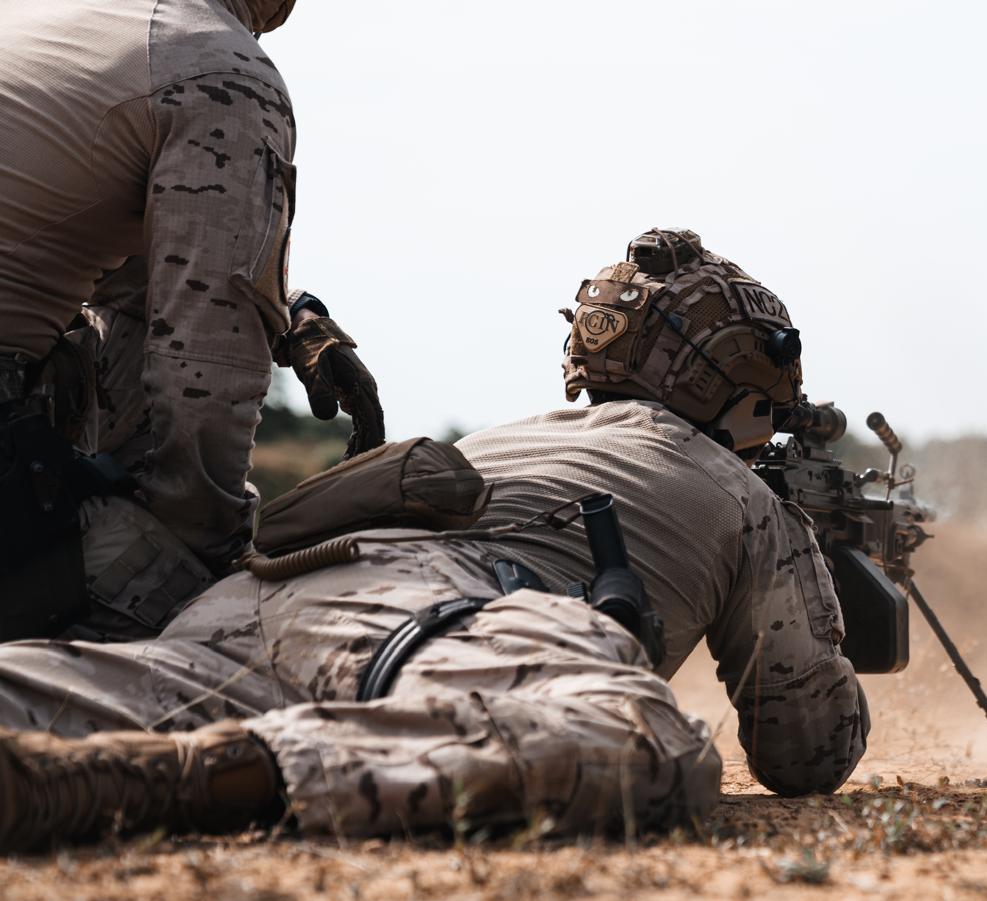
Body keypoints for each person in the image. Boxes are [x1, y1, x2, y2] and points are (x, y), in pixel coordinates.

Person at [0, 229, 869, 851]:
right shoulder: (744, 494)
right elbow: (805, 750)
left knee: (52, 689)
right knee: (640, 736)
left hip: (262, 604)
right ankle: (194, 778)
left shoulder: (515, 432)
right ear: (749, 386)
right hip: (446, 619)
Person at [0, 0, 380, 642]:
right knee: (219, 616)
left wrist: (289, 316)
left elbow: (148, 280)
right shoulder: (219, 69)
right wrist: (214, 554)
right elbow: (205, 368)